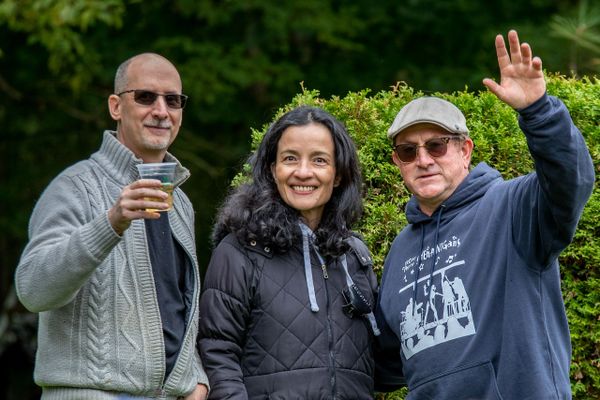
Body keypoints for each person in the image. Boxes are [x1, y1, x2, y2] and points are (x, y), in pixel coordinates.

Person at [374, 30, 594, 399]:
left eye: (436, 145)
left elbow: (571, 181)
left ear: (465, 150)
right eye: (408, 151)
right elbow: (387, 361)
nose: (423, 160)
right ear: (398, 162)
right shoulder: (401, 250)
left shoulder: (513, 206)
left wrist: (538, 111)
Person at [15, 53, 209, 400]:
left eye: (173, 100)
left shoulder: (180, 203)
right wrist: (111, 223)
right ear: (116, 107)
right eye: (146, 97)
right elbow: (32, 290)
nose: (161, 111)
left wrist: (196, 376)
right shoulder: (74, 187)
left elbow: (177, 308)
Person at [198, 106, 380, 399]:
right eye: (290, 158)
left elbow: (384, 362)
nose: (303, 172)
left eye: (319, 160)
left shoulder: (354, 256)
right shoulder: (240, 251)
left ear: (338, 175)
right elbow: (217, 352)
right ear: (273, 170)